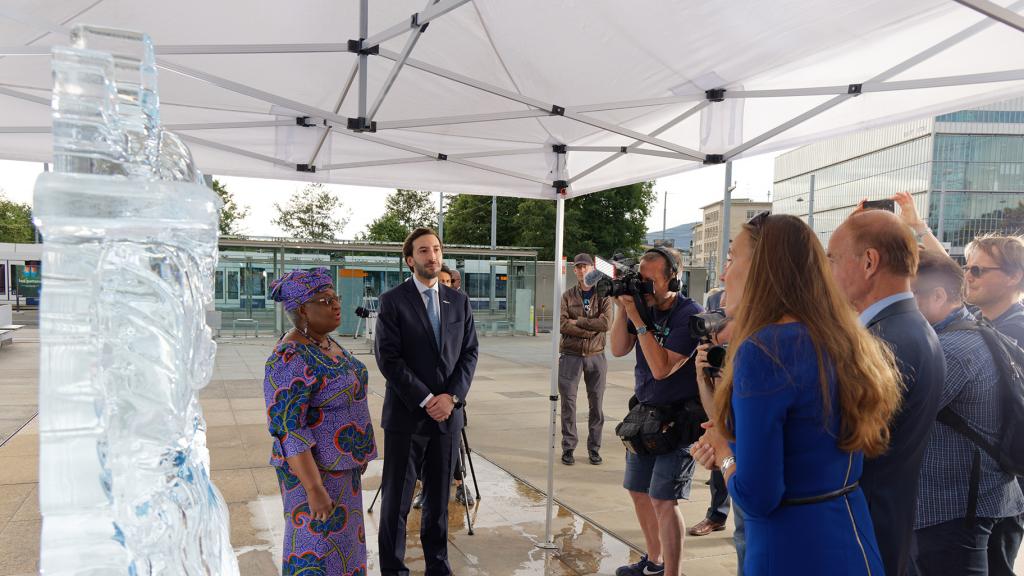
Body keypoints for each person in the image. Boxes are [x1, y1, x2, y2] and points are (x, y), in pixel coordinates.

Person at [691, 212, 901, 575]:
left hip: (791, 549)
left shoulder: (765, 349)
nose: (724, 275)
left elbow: (758, 496)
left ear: (763, 269)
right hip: (850, 535)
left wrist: (724, 452)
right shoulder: (845, 339)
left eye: (731, 258)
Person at [827, 205, 946, 576]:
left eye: (833, 259)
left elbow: (838, 445)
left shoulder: (886, 342)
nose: (827, 272)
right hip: (881, 528)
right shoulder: (906, 328)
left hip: (861, 535)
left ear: (868, 262)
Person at [909, 249, 1024, 574]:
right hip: (990, 501)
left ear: (938, 295)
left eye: (909, 294)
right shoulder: (978, 332)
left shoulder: (952, 350)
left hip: (957, 510)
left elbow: (898, 419)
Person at [375, 227, 479, 576]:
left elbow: (469, 353)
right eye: (423, 251)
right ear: (410, 259)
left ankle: (438, 567)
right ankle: (394, 569)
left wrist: (450, 398)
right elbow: (388, 359)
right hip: (407, 418)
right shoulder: (393, 300)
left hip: (447, 418)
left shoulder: (458, 301)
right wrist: (426, 398)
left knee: (438, 502)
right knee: (397, 503)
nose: (432, 256)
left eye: (436, 249)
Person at [263, 267, 378, 576]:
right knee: (316, 551)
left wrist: (357, 454)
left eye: (335, 297)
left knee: (345, 553)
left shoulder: (326, 343)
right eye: (325, 300)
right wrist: (314, 488)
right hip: (314, 476)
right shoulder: (289, 357)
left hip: (344, 473)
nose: (336, 305)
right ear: (302, 309)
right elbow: (290, 430)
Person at [609, 246, 705, 576]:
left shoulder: (690, 316)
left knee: (664, 499)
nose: (643, 288)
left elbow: (662, 367)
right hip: (646, 416)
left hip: (678, 420)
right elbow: (619, 349)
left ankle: (671, 573)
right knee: (638, 491)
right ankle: (654, 562)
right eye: (640, 279)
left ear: (672, 281)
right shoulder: (643, 308)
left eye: (649, 282)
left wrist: (638, 318)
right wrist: (625, 309)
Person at [559, 253, 613, 465]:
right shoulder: (567, 296)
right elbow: (563, 325)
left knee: (596, 405)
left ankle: (594, 448)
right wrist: (590, 327)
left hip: (596, 356)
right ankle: (568, 447)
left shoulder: (604, 295)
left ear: (593, 269)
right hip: (571, 356)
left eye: (586, 267)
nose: (582, 271)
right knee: (568, 404)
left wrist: (579, 322)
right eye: (578, 267)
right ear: (574, 270)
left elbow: (606, 323)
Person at [690, 289, 731, 539]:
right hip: (719, 396)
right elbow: (714, 418)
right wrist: (702, 375)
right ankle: (717, 514)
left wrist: (725, 454)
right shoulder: (716, 298)